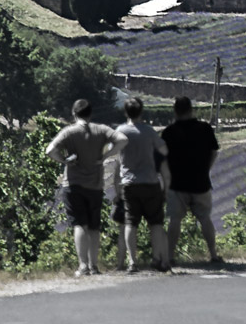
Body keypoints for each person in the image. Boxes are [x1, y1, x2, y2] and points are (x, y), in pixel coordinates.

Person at [47, 98, 123, 276]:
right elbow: (122, 139)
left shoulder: (69, 132)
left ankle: (83, 266)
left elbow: (49, 150)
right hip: (95, 185)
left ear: (74, 113)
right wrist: (106, 155)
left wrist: (64, 160)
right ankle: (94, 265)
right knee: (94, 226)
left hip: (73, 184)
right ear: (90, 113)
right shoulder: (101, 130)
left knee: (79, 224)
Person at [113, 95, 172, 272]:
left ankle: (132, 261)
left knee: (131, 223)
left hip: (129, 183)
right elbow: (164, 149)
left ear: (125, 112)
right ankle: (157, 259)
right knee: (155, 223)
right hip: (150, 182)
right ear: (141, 112)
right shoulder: (149, 131)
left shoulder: (120, 131)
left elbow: (113, 153)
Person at [162, 95, 222, 266]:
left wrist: (165, 183)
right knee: (205, 219)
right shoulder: (204, 129)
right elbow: (214, 151)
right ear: (191, 109)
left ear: (175, 111)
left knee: (175, 220)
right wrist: (206, 169)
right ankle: (213, 254)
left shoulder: (168, 132)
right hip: (200, 182)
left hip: (177, 183)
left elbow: (163, 160)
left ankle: (170, 256)